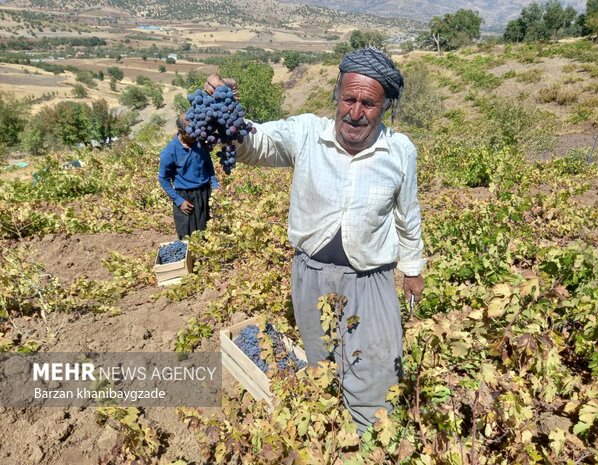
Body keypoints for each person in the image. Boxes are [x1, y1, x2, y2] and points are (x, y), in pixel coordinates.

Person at [206, 47, 425, 434]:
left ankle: (370, 444)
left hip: (369, 280)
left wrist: (412, 269)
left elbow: (408, 216)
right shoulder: (306, 133)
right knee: (322, 359)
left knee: (375, 369)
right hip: (311, 276)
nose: (355, 112)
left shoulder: (400, 151)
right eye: (349, 99)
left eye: (369, 104)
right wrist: (231, 119)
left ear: (385, 107)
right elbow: (256, 144)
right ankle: (330, 432)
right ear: (336, 97)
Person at [158, 113, 217, 239]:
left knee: (206, 234)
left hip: (205, 193)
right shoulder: (169, 151)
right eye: (191, 133)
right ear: (181, 131)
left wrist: (215, 185)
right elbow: (163, 178)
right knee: (187, 236)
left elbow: (208, 165)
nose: (195, 135)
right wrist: (179, 201)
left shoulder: (200, 143)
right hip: (185, 197)